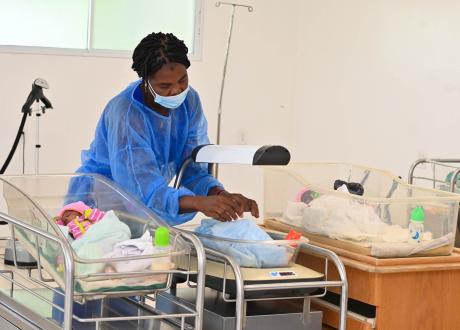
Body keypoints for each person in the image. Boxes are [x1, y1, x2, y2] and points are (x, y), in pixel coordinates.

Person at [76, 32, 259, 226]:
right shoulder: (126, 114)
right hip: (100, 207)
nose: (176, 90)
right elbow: (141, 192)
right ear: (145, 81)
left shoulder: (189, 102)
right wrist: (200, 203)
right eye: (164, 85)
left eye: (182, 80)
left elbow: (193, 168)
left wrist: (221, 196)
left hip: (143, 211)